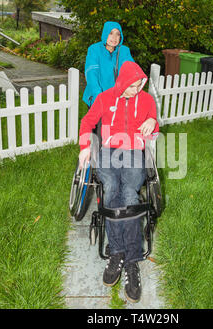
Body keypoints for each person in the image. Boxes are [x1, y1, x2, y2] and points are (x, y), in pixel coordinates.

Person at [78, 61, 159, 303]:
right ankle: (117, 252)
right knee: (111, 189)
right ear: (122, 82)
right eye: (132, 86)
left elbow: (154, 127)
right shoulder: (104, 98)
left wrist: (153, 123)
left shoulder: (146, 101)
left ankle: (131, 262)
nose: (136, 90)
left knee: (130, 196)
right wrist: (85, 148)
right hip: (107, 152)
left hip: (134, 151)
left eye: (139, 85)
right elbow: (87, 123)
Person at [83, 21, 134, 108]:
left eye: (117, 34)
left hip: (119, 99)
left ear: (120, 36)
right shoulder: (94, 50)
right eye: (111, 33)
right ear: (105, 33)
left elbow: (133, 72)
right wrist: (99, 97)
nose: (114, 37)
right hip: (98, 98)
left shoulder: (124, 51)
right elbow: (91, 74)